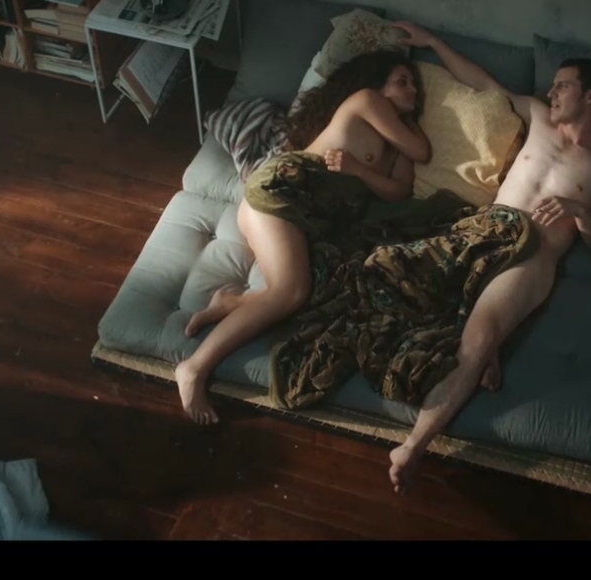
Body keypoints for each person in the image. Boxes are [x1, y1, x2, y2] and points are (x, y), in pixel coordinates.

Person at [384, 22, 591, 493]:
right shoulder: (537, 116)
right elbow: (482, 84)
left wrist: (580, 212)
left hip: (532, 253)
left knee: (476, 338)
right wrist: (433, 44)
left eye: (563, 86)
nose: (551, 92)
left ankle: (412, 445)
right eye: (552, 85)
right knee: (394, 285)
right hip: (485, 232)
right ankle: (491, 348)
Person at [175, 49, 431, 425]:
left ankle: (232, 302)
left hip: (307, 221)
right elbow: (420, 149)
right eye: (401, 81)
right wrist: (409, 125)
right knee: (291, 292)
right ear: (378, 85)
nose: (413, 90)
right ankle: (194, 368)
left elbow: (398, 191)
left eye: (415, 85)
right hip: (282, 192)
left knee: (319, 296)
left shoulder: (398, 146)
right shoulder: (368, 100)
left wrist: (359, 170)